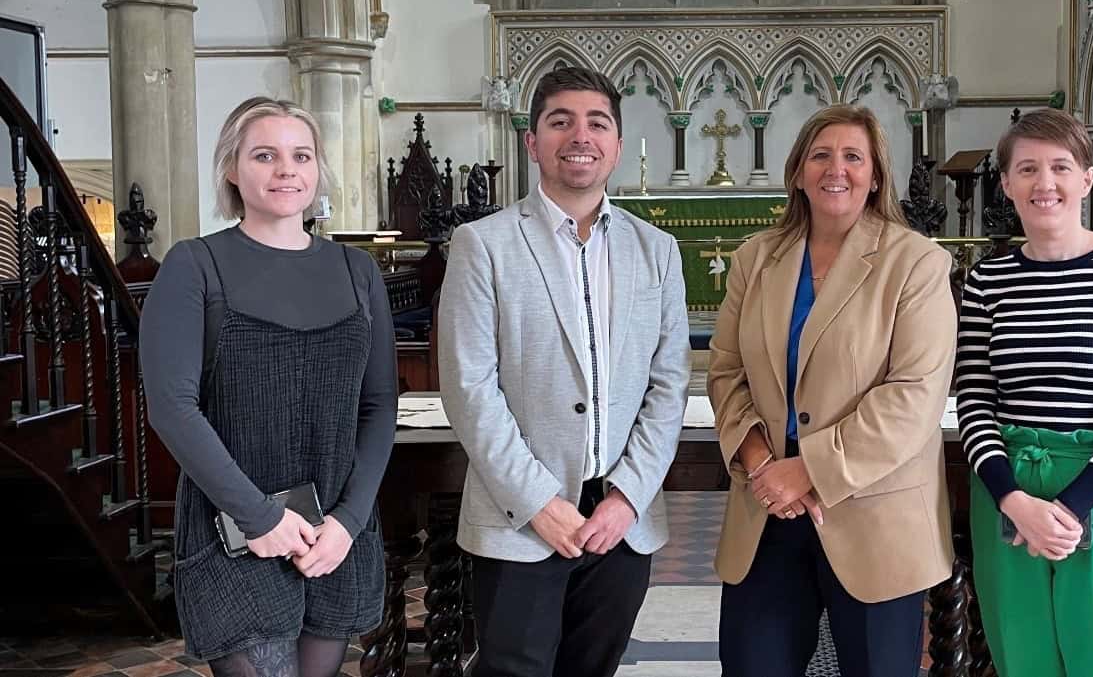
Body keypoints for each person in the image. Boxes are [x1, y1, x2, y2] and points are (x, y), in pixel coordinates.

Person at [436, 66, 690, 677]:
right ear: (532, 141)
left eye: (597, 122)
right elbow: (470, 389)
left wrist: (628, 498)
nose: (581, 136)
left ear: (618, 144)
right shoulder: (483, 244)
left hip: (619, 523)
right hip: (519, 517)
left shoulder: (656, 250)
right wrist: (539, 502)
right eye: (561, 121)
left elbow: (670, 383)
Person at [142, 97, 397, 676]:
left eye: (300, 155)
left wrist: (348, 522)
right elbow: (173, 408)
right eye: (265, 155)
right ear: (232, 169)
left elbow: (380, 406)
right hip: (235, 526)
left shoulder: (358, 272)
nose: (287, 170)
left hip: (334, 529)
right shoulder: (195, 265)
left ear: (316, 169)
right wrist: (259, 518)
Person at [709, 104, 957, 677]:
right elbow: (725, 371)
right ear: (798, 171)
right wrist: (764, 463)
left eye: (853, 157)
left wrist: (808, 470)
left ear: (875, 175)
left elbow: (913, 396)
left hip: (875, 516)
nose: (835, 169)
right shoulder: (755, 259)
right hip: (768, 512)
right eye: (820, 155)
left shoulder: (915, 262)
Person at [955, 108, 1093, 677]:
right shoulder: (987, 280)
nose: (1043, 183)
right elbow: (975, 398)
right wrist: (1012, 499)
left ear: (1086, 179)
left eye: (1059, 167)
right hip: (1007, 482)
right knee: (1021, 655)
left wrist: (1070, 508)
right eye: (1026, 169)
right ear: (1006, 183)